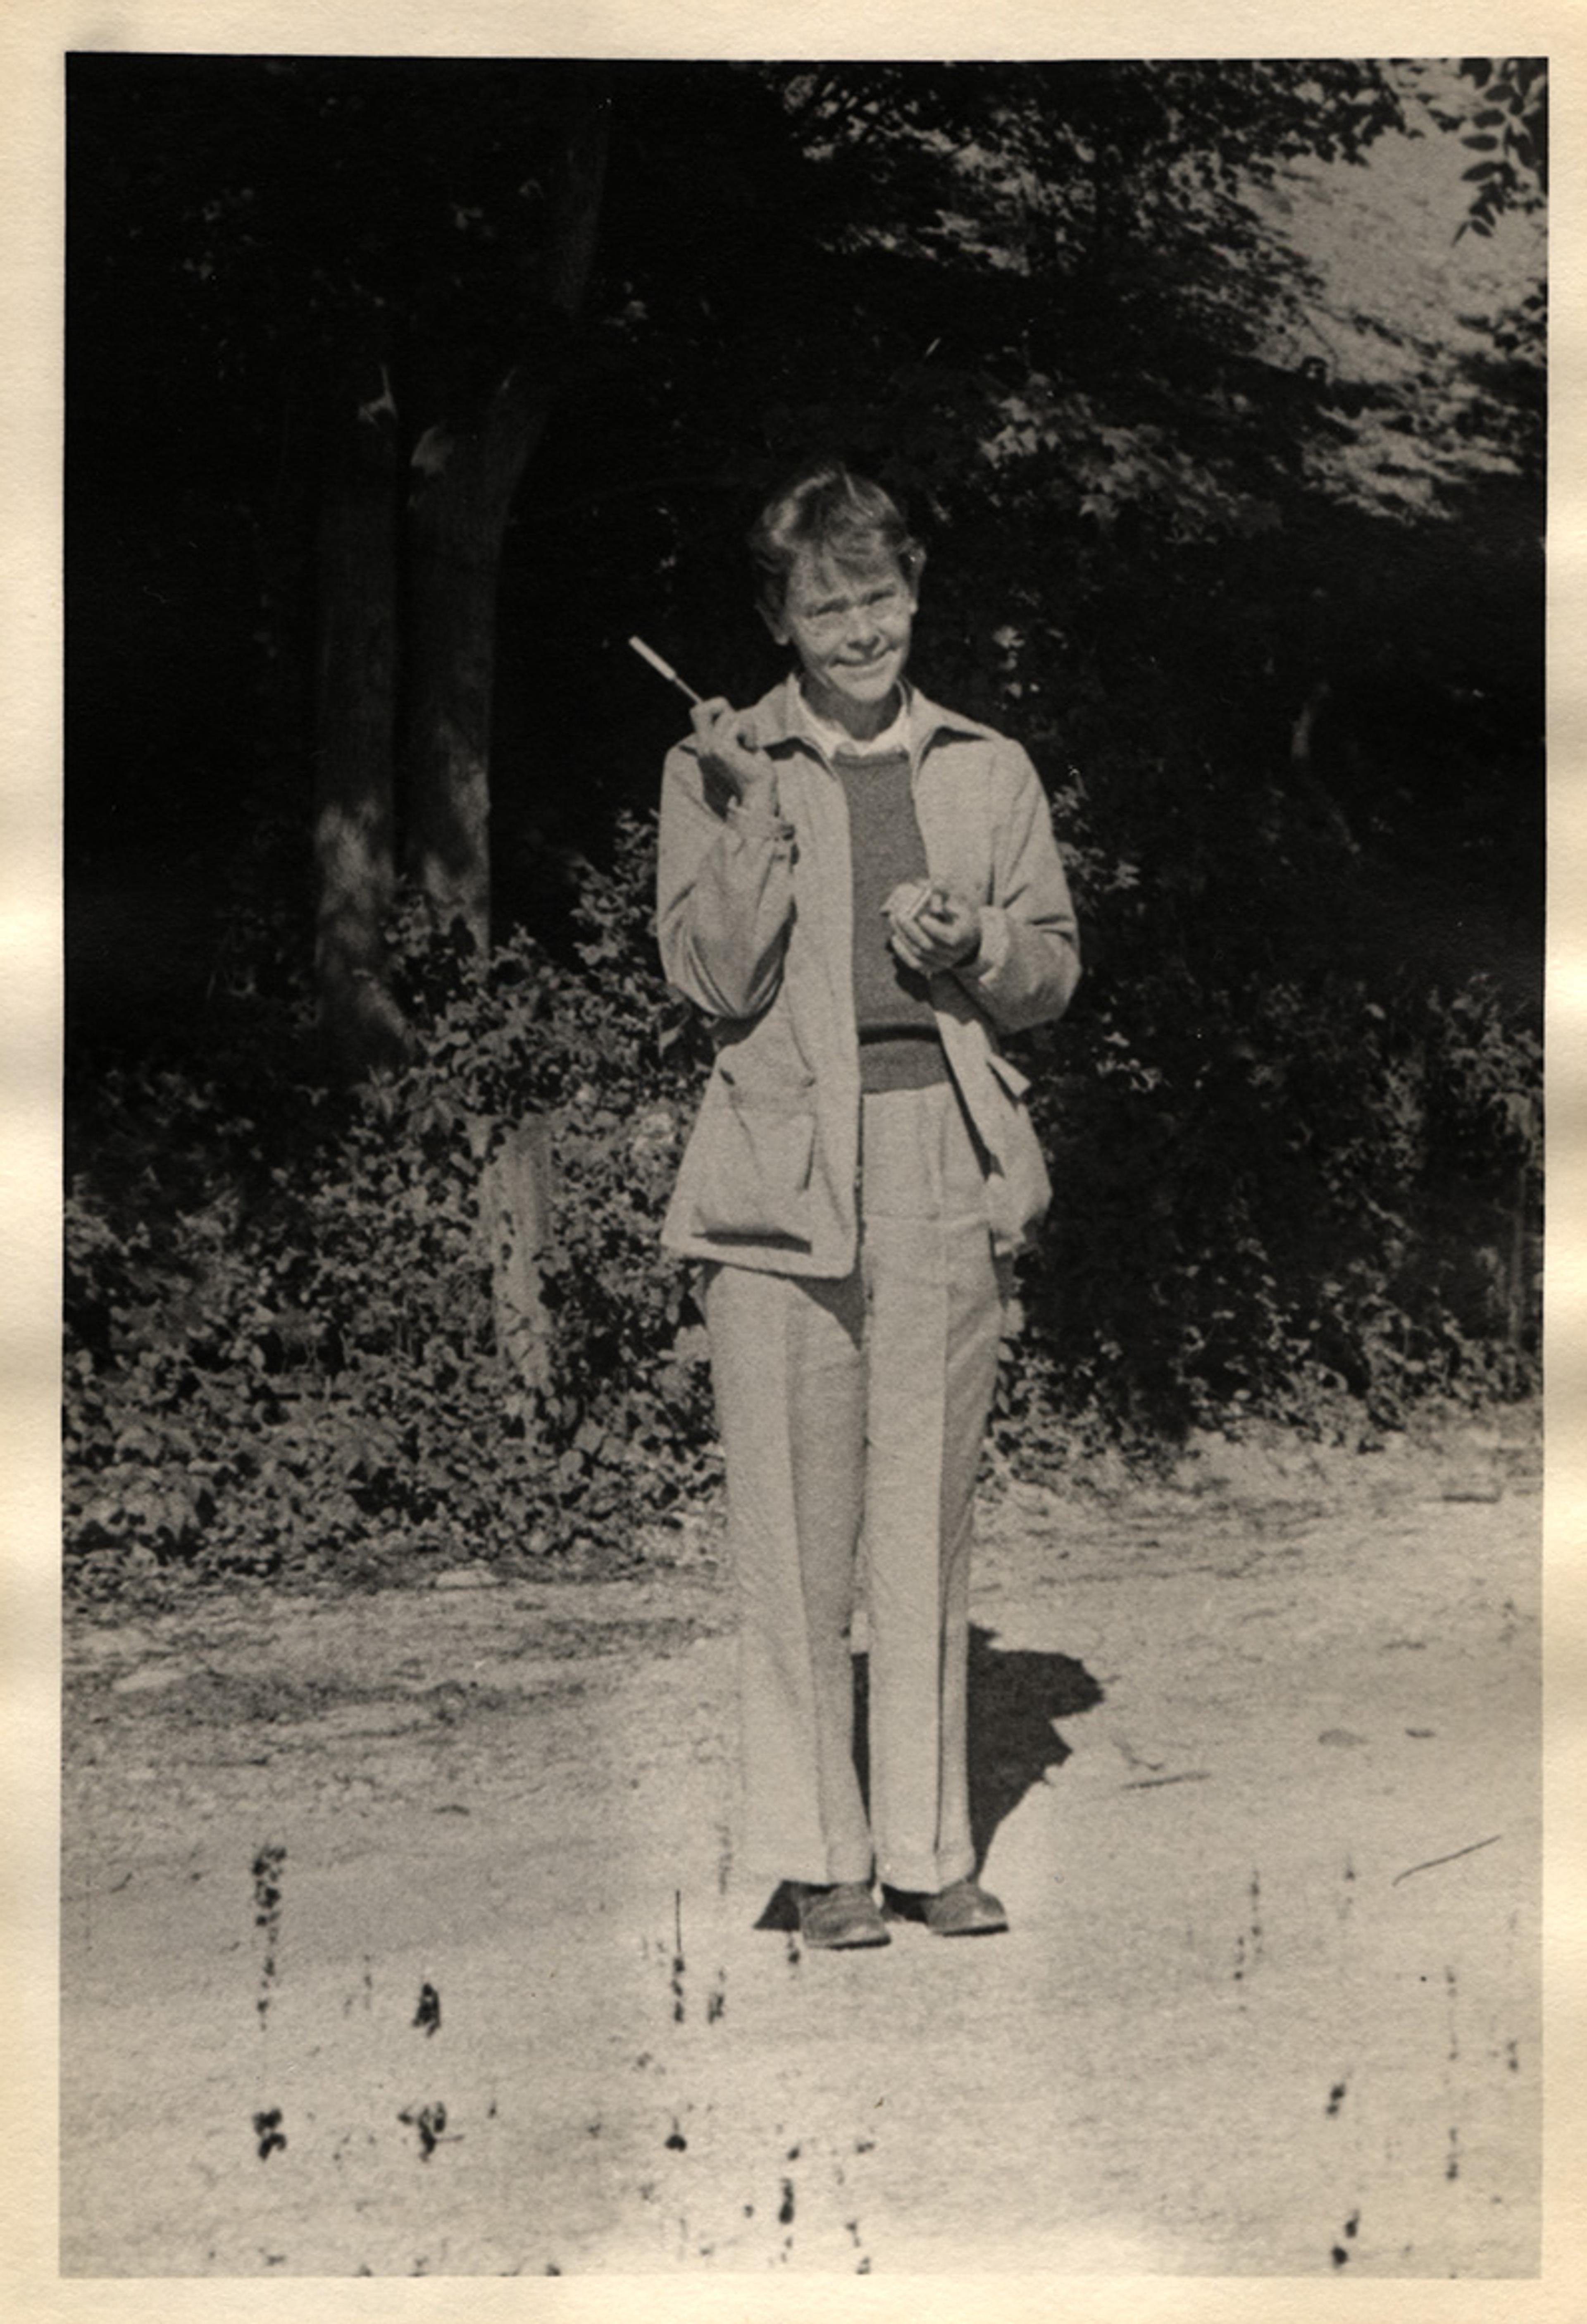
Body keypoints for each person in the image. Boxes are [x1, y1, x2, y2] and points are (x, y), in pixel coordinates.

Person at [656, 460, 1080, 1949]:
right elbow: (710, 981)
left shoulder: (988, 766)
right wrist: (755, 824)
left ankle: (925, 1847)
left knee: (927, 1522)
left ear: (915, 595)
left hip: (938, 1164)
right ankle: (819, 1859)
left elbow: (1052, 976)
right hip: (779, 1173)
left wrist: (975, 942)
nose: (859, 631)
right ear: (778, 616)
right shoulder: (713, 763)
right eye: (825, 606)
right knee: (791, 1524)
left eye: (879, 597)